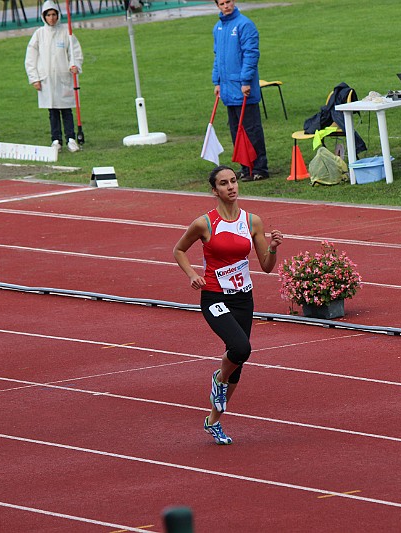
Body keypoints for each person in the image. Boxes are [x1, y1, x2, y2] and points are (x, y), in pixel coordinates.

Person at [173, 165, 283, 445]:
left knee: (239, 361)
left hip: (243, 298)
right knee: (241, 348)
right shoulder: (205, 223)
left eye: (234, 181)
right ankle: (219, 378)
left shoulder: (252, 221)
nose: (231, 186)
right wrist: (192, 275)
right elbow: (179, 250)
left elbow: (268, 268)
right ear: (214, 190)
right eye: (224, 183)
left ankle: (213, 421)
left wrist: (272, 247)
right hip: (214, 297)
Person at [212, 0, 269, 181]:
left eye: (228, 1)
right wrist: (217, 81)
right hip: (228, 90)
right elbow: (218, 58)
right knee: (236, 131)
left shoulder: (245, 24)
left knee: (251, 129)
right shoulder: (218, 28)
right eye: (222, 3)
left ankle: (259, 167)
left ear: (233, 2)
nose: (226, 5)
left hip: (243, 89)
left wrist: (246, 81)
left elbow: (251, 54)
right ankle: (245, 167)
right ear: (218, 6)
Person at [25, 0, 83, 153]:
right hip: (47, 80)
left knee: (66, 110)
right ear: (44, 16)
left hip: (64, 78)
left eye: (54, 14)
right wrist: (34, 78)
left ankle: (71, 138)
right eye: (48, 15)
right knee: (52, 111)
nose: (51, 18)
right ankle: (56, 139)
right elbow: (30, 58)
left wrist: (74, 65)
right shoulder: (39, 34)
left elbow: (74, 52)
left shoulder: (66, 33)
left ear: (58, 15)